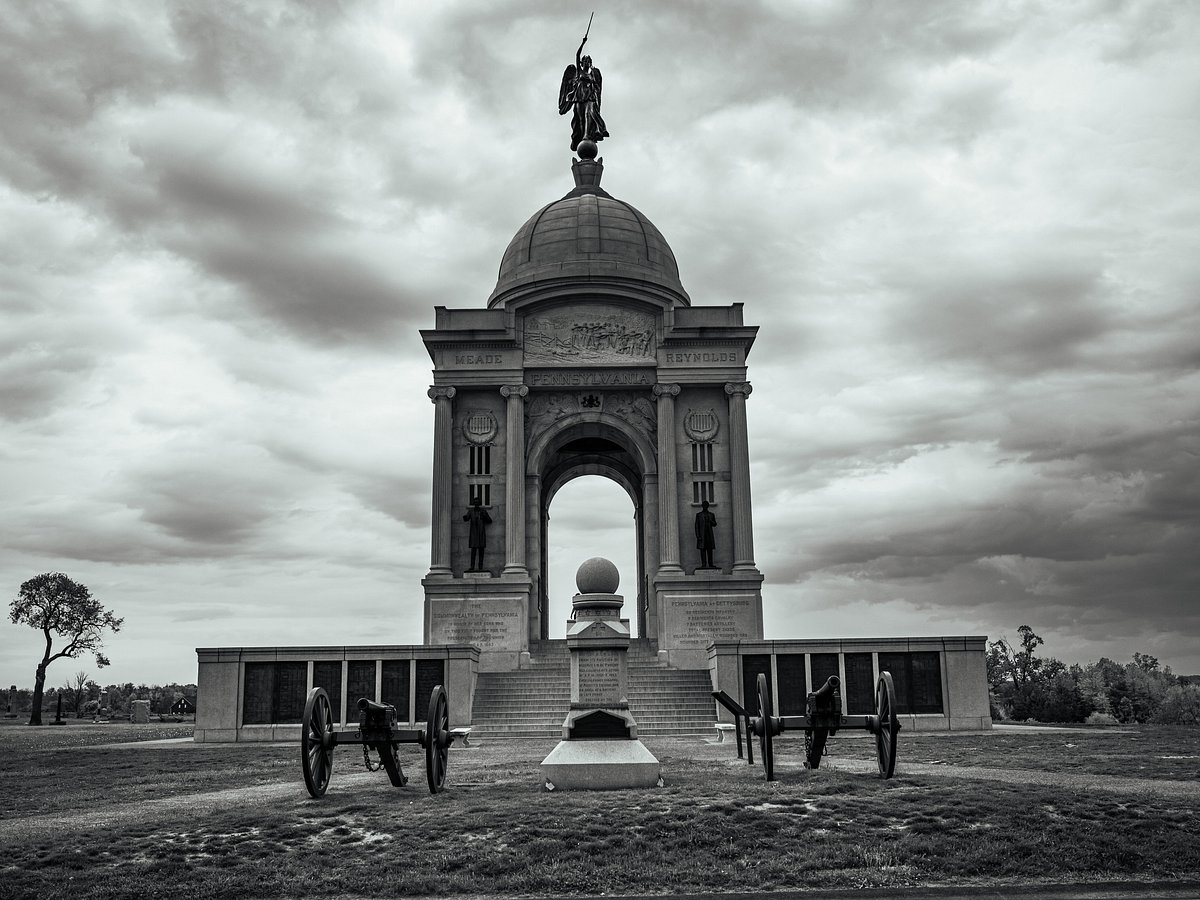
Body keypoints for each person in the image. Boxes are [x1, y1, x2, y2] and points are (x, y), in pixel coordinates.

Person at [558, 34, 608, 152]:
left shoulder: (593, 74)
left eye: (588, 61)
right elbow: (577, 55)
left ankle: (588, 135)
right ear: (581, 63)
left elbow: (597, 88)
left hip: (589, 98)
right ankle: (581, 137)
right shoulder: (579, 72)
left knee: (589, 113)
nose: (587, 62)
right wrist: (583, 42)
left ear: (590, 63)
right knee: (579, 119)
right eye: (585, 61)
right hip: (579, 98)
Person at [463, 497, 492, 571]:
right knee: (473, 551)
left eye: (477, 502)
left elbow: (489, 520)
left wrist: (484, 516)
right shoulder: (471, 511)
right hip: (474, 534)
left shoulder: (483, 511)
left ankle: (480, 567)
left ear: (479, 503)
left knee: (481, 551)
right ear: (473, 503)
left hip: (481, 534)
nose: (476, 503)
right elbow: (466, 518)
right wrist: (465, 517)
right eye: (475, 502)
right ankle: (472, 566)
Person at [695, 500, 717, 568]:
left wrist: (710, 521)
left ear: (707, 506)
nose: (705, 507)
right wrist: (698, 536)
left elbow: (715, 524)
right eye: (704, 505)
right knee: (703, 550)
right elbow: (696, 526)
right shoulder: (699, 515)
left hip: (709, 535)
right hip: (702, 535)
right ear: (702, 506)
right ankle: (703, 564)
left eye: (706, 505)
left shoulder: (711, 514)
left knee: (709, 549)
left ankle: (711, 564)